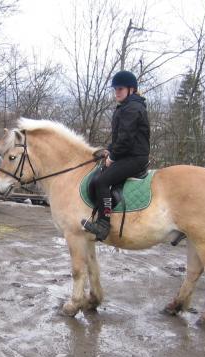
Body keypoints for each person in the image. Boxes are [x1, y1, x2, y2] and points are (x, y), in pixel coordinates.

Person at [81, 70, 150, 241]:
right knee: (101, 171)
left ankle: (103, 224)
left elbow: (125, 140)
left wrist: (113, 157)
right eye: (115, 89)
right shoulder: (126, 107)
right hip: (128, 154)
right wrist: (108, 150)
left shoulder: (132, 108)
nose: (117, 92)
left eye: (120, 89)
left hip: (134, 158)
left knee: (102, 181)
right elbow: (119, 138)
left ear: (131, 89)